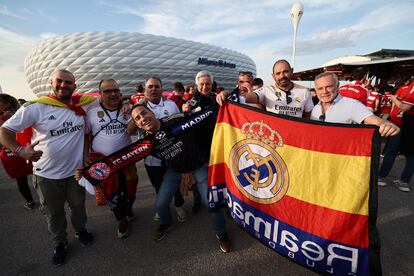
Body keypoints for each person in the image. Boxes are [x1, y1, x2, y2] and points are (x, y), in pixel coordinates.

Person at [0, 69, 94, 266]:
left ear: (74, 87)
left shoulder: (81, 106)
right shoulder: (36, 108)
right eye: (59, 81)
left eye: (68, 82)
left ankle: (80, 230)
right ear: (51, 83)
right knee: (54, 213)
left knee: (78, 207)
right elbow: (4, 131)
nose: (63, 85)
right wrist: (19, 150)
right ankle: (60, 243)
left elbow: (84, 134)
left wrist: (85, 155)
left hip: (75, 173)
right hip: (46, 175)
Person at [130, 103, 231, 253]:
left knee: (211, 203)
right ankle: (166, 223)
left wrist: (222, 101)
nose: (142, 119)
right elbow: (122, 158)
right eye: (137, 118)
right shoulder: (145, 142)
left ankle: (221, 232)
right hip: (175, 170)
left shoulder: (176, 120)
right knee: (160, 204)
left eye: (144, 113)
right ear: (137, 124)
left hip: (197, 165)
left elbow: (203, 117)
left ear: (153, 112)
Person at [80, 79, 138, 238]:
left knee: (131, 189)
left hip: (127, 159)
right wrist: (85, 156)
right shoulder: (92, 113)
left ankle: (128, 207)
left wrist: (132, 112)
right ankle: (121, 219)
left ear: (120, 92)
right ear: (100, 94)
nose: (112, 94)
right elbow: (85, 136)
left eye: (115, 90)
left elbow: (132, 131)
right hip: (103, 163)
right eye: (107, 91)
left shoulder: (129, 109)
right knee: (112, 194)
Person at [127, 76, 187, 222]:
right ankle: (162, 209)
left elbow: (179, 126)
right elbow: (130, 130)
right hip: (152, 158)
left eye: (156, 86)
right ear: (145, 89)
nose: (153, 89)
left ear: (161, 89)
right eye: (150, 87)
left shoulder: (171, 105)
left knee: (176, 184)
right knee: (158, 185)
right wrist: (138, 107)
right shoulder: (139, 107)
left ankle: (179, 206)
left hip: (172, 154)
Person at [311, 72, 399, 137]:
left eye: (329, 87)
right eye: (320, 88)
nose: (324, 91)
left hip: (341, 157)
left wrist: (387, 125)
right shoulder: (315, 109)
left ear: (337, 86)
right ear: (316, 90)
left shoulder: (352, 104)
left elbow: (374, 120)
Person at [217, 59, 313, 118]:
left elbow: (308, 116)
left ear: (292, 71)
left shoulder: (304, 91)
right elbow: (250, 98)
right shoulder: (267, 90)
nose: (282, 76)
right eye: (278, 73)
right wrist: (226, 93)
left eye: (285, 72)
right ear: (273, 76)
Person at [378, 79, 414, 192]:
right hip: (402, 122)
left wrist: (394, 99)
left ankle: (381, 177)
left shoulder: (407, 88)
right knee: (411, 155)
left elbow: (403, 107)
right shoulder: (404, 87)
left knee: (392, 151)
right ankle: (404, 182)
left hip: (403, 123)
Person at [0, 94, 35, 210]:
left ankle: (30, 201)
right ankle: (45, 199)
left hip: (12, 152)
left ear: (7, 103)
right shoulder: (23, 113)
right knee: (38, 174)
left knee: (21, 179)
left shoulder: (4, 118)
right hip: (27, 147)